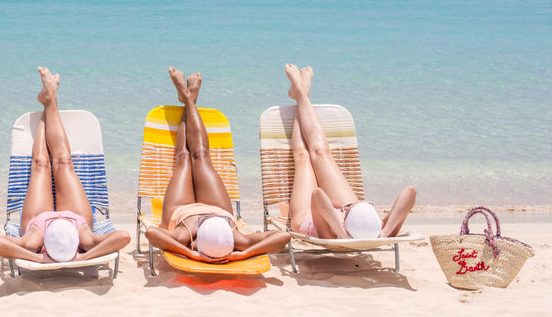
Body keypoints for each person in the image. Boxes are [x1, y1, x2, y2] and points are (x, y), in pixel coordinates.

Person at [144, 68, 290, 264]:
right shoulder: (240, 240)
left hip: (183, 214)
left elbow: (152, 233)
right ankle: (189, 98)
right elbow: (284, 237)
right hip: (219, 210)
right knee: (202, 155)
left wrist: (190, 254)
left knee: (184, 157)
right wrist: (244, 253)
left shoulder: (183, 236)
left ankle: (188, 98)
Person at [0, 67, 131, 265]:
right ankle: (50, 98)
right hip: (77, 221)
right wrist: (84, 256)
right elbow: (123, 236)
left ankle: (49, 99)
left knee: (40, 164)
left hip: (39, 222)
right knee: (63, 161)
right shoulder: (87, 240)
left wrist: (37, 257)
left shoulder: (32, 242)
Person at [283, 63, 416, 239]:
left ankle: (301, 93)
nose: (347, 208)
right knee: (322, 152)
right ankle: (300, 94)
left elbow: (317, 196)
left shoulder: (330, 235)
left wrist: (341, 232)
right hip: (346, 217)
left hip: (309, 216)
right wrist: (384, 231)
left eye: (349, 209)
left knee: (304, 156)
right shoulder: (376, 230)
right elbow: (411, 192)